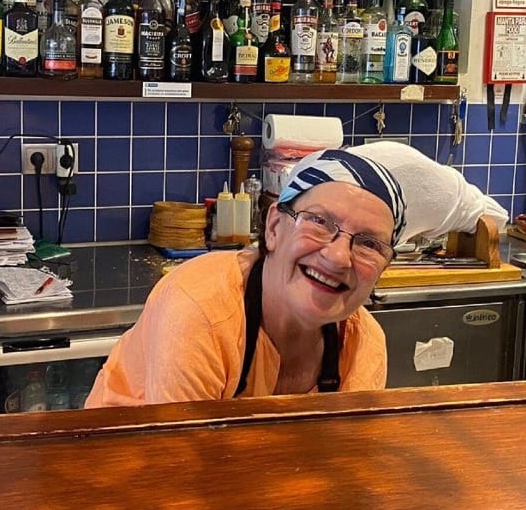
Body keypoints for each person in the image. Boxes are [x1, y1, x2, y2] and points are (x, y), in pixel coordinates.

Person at [85, 149, 406, 407]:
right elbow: (180, 466)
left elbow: (344, 461)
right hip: (128, 470)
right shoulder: (199, 310)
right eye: (319, 221)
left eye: (369, 244)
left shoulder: (362, 344)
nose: (338, 256)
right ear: (274, 228)